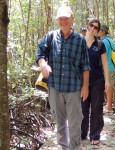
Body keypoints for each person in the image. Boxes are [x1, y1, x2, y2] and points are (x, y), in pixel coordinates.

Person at [36, 5, 90, 150]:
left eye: (66, 18)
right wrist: (43, 64)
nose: (63, 21)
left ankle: (75, 147)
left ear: (72, 19)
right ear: (57, 20)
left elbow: (85, 65)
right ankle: (64, 148)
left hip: (73, 87)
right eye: (61, 18)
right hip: (55, 87)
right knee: (60, 122)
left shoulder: (80, 40)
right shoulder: (51, 36)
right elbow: (40, 52)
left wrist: (85, 87)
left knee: (75, 122)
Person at [81, 19, 110, 145]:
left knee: (96, 109)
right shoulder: (79, 42)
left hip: (97, 80)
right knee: (82, 108)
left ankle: (95, 135)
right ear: (87, 26)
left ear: (98, 31)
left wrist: (107, 80)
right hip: (81, 82)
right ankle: (82, 134)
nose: (93, 28)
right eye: (91, 26)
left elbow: (104, 63)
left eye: (96, 28)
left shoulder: (100, 44)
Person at [99, 24, 115, 112]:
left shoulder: (104, 42)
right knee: (109, 86)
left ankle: (109, 106)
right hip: (112, 66)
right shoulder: (110, 40)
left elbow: (104, 56)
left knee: (108, 86)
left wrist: (102, 67)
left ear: (103, 32)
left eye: (99, 30)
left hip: (107, 67)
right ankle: (108, 104)